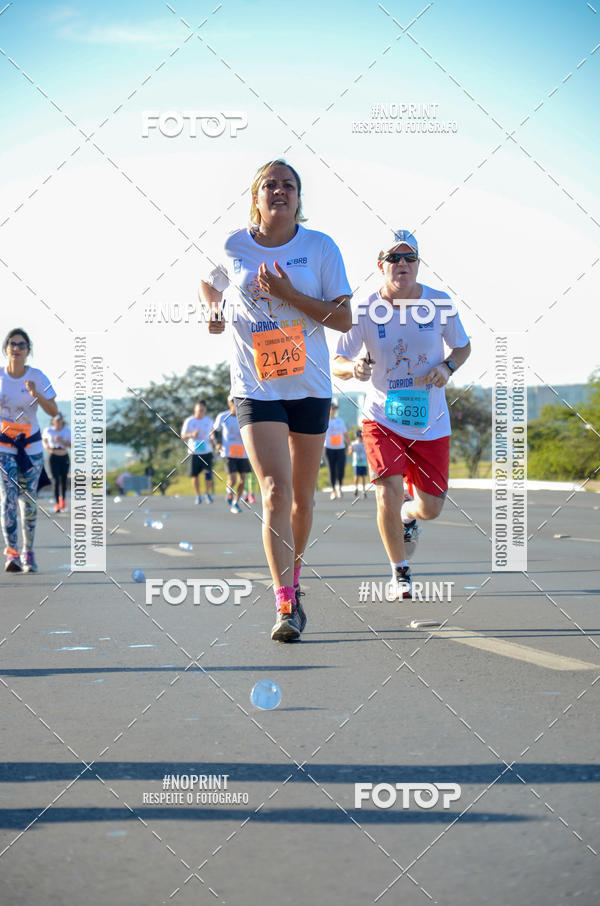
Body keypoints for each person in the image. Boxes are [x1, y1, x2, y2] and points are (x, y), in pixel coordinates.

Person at [200, 158, 352, 641]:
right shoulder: (234, 245)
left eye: (289, 185)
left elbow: (344, 319)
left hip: (309, 387)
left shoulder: (320, 247)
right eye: (270, 185)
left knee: (302, 501)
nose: (279, 191)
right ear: (255, 197)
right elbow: (210, 281)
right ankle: (284, 603)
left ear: (299, 198)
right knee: (274, 492)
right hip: (255, 387)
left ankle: (296, 580)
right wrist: (214, 310)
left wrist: (288, 294)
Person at [333, 229, 471, 598]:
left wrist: (448, 368)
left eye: (409, 258)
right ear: (381, 266)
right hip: (381, 416)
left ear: (418, 265)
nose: (402, 264)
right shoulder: (363, 309)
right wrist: (354, 369)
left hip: (430, 420)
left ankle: (409, 517)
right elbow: (338, 361)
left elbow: (462, 347)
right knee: (387, 491)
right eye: (394, 258)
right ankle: (400, 574)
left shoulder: (439, 303)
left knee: (430, 508)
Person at [0, 328, 58, 572]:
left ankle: (28, 552)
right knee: (9, 500)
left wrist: (36, 395)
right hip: (5, 447)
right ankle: (12, 553)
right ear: (6, 349)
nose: (17, 348)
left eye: (22, 345)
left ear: (28, 350)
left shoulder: (38, 376)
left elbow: (53, 411)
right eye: (12, 344)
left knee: (29, 502)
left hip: (31, 446)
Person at [211, 396, 252, 514]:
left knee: (242, 480)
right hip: (229, 453)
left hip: (243, 453)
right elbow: (213, 431)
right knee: (233, 479)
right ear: (230, 404)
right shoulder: (223, 417)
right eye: (234, 403)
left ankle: (235, 503)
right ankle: (229, 491)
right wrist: (217, 443)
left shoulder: (244, 415)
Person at [181, 401, 214, 504]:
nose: (201, 412)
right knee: (194, 476)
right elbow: (183, 435)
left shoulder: (209, 421)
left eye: (203, 410)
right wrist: (192, 434)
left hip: (207, 451)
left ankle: (207, 494)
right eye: (199, 410)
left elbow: (212, 434)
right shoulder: (189, 421)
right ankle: (198, 495)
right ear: (195, 410)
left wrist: (214, 441)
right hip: (194, 452)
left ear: (205, 410)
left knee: (208, 473)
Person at [42, 412, 71, 513]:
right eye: (56, 420)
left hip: (64, 456)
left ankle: (63, 501)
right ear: (53, 421)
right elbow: (44, 441)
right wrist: (48, 448)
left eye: (60, 420)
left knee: (63, 480)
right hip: (53, 456)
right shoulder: (48, 430)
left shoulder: (67, 431)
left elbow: (71, 445)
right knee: (55, 480)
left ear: (62, 420)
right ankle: (57, 503)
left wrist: (61, 440)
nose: (58, 422)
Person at [324, 402, 348, 500]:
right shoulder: (325, 421)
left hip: (340, 448)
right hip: (329, 449)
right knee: (332, 470)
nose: (333, 410)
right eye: (332, 408)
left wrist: (350, 445)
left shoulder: (340, 420)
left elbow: (345, 433)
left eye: (334, 409)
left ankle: (340, 487)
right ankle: (333, 489)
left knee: (341, 469)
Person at [350, 428, 368, 498]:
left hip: (363, 462)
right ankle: (356, 488)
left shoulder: (365, 443)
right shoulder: (353, 443)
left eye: (361, 437)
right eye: (358, 437)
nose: (360, 438)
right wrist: (351, 449)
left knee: (363, 477)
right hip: (356, 463)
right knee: (356, 476)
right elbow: (350, 452)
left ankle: (363, 490)